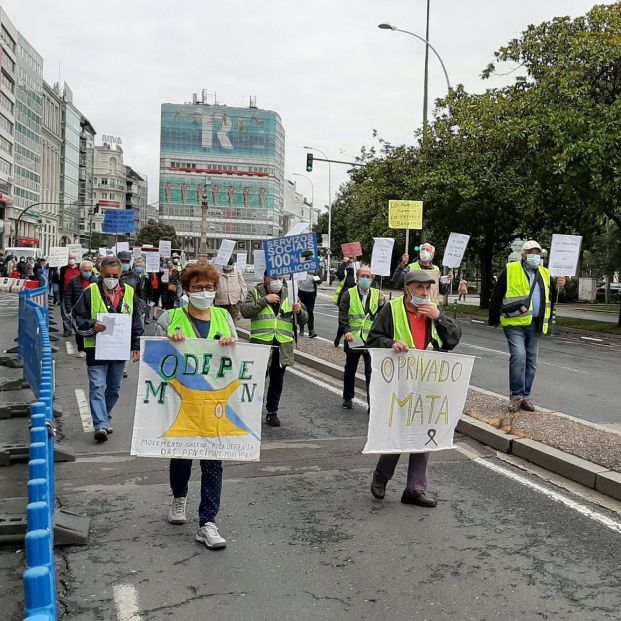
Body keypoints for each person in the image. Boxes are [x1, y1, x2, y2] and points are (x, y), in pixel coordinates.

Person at [156, 262, 237, 550]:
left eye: (209, 287)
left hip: (213, 401)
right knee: (181, 457)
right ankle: (179, 497)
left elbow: (237, 356)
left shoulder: (224, 317)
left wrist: (230, 343)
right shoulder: (170, 317)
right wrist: (168, 342)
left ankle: (208, 523)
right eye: (198, 288)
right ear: (187, 290)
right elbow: (154, 359)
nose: (204, 292)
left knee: (213, 462)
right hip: (182, 401)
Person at [366, 270, 462, 507]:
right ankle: (381, 477)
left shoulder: (433, 311)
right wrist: (391, 343)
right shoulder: (392, 309)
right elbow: (373, 338)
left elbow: (453, 339)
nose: (424, 292)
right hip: (401, 382)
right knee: (398, 432)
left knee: (424, 434)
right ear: (407, 289)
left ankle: (415, 489)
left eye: (428, 288)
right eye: (420, 288)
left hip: (428, 382)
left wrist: (439, 317)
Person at [72, 256, 143, 442]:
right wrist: (92, 325)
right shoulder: (90, 292)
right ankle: (101, 425)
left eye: (115, 275)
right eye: (107, 275)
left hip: (119, 349)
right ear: (100, 273)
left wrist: (137, 345)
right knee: (96, 386)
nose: (111, 278)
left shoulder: (129, 292)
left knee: (114, 388)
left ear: (120, 274)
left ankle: (105, 415)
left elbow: (136, 319)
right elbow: (77, 316)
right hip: (95, 348)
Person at [489, 240, 565, 413]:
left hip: (535, 324)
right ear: (523, 254)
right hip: (514, 323)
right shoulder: (511, 269)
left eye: (538, 253)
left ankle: (525, 397)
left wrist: (560, 287)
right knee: (519, 356)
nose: (535, 256)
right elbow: (497, 294)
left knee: (531, 362)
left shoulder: (545, 273)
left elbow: (552, 296)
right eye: (531, 252)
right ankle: (516, 396)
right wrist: (494, 319)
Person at [240, 272, 307, 427]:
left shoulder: (290, 293)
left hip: (282, 344)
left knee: (277, 380)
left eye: (279, 278)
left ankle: (272, 412)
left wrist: (299, 312)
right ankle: (252, 411)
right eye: (273, 278)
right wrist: (264, 300)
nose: (277, 281)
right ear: (265, 280)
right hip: (260, 342)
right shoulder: (255, 292)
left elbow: (304, 319)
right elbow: (244, 311)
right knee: (257, 379)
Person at [339, 265, 385, 409]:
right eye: (363, 276)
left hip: (371, 339)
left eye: (368, 276)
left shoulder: (378, 294)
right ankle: (348, 397)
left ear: (372, 279)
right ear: (357, 278)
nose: (365, 279)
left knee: (371, 372)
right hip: (354, 338)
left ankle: (372, 403)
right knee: (350, 369)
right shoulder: (349, 294)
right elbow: (343, 315)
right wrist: (346, 330)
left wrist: (382, 303)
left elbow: (382, 316)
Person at [63, 260, 97, 358]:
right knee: (79, 331)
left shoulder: (96, 280)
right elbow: (68, 296)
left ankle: (91, 349)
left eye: (89, 270)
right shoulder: (73, 281)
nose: (88, 272)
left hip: (91, 309)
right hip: (77, 310)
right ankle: (81, 349)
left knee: (91, 329)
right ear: (81, 270)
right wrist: (69, 310)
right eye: (85, 270)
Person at [332, 256, 357, 346]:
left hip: (355, 298)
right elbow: (339, 274)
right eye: (350, 258)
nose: (351, 260)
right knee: (342, 319)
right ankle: (339, 336)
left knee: (354, 320)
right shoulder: (345, 270)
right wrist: (344, 262)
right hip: (344, 298)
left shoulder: (357, 270)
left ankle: (353, 339)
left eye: (353, 258)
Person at [58, 253, 80, 336]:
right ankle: (67, 330)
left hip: (77, 294)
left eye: (73, 258)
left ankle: (78, 329)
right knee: (65, 313)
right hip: (65, 294)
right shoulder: (63, 269)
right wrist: (57, 273)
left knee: (78, 313)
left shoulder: (79, 268)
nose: (71, 259)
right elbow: (56, 281)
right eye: (70, 258)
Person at [297, 270, 319, 338]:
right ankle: (301, 328)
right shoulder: (301, 267)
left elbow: (319, 280)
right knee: (302, 310)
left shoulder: (315, 268)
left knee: (310, 311)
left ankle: (311, 330)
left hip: (311, 293)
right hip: (301, 291)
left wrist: (316, 278)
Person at [131, 257, 152, 325]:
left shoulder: (146, 278)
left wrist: (151, 299)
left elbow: (149, 289)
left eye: (140, 266)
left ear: (143, 267)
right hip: (133, 299)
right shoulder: (131, 277)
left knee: (142, 317)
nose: (138, 267)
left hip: (143, 300)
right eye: (136, 266)